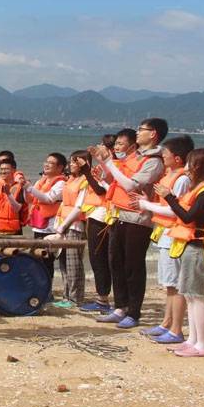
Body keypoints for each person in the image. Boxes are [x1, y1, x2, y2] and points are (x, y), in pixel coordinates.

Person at [95, 119, 168, 329]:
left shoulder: (154, 161)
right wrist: (104, 163)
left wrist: (109, 162)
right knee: (115, 262)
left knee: (133, 266)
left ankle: (134, 312)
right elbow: (115, 183)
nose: (138, 132)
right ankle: (120, 307)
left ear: (153, 133)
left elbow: (130, 185)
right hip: (119, 215)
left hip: (138, 219)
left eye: (141, 129)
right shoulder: (134, 158)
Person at [155, 148, 204, 357]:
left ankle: (201, 344)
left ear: (198, 166)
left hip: (197, 247)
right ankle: (192, 340)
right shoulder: (201, 189)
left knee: (196, 296)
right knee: (188, 294)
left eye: (189, 164)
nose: (186, 169)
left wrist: (170, 198)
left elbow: (188, 217)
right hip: (188, 245)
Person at [136, 135, 195, 344]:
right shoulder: (172, 176)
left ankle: (176, 329)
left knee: (176, 284)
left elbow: (174, 211)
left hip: (175, 235)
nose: (163, 157)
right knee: (169, 283)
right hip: (165, 234)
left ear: (177, 158)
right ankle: (166, 322)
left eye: (166, 154)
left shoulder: (181, 180)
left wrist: (146, 206)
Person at [78, 134, 117, 313]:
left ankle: (104, 299)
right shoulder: (107, 166)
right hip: (95, 214)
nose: (99, 147)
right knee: (98, 258)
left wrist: (87, 171)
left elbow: (101, 189)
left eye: (103, 145)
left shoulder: (113, 166)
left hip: (103, 215)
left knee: (99, 258)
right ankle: (103, 297)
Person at [51, 150, 94, 308]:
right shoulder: (70, 180)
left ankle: (75, 298)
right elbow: (63, 203)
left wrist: (63, 226)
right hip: (63, 223)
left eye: (75, 162)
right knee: (63, 261)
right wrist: (58, 223)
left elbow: (79, 207)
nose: (71, 165)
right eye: (71, 162)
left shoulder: (85, 181)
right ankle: (66, 295)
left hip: (75, 226)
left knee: (74, 263)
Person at [24, 152, 67, 282]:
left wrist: (30, 188)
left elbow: (48, 199)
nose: (46, 165)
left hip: (51, 227)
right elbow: (30, 199)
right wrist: (25, 189)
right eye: (46, 162)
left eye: (51, 163)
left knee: (48, 260)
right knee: (38, 259)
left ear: (60, 168)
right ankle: (41, 287)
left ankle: (48, 290)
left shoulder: (61, 183)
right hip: (38, 225)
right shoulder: (41, 181)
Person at [0, 158, 26, 235]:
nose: (3, 171)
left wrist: (9, 194)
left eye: (6, 169)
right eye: (1, 169)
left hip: (12, 231)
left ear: (14, 170)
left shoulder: (19, 187)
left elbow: (17, 208)